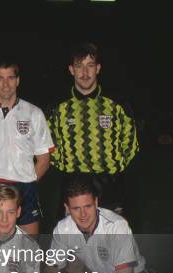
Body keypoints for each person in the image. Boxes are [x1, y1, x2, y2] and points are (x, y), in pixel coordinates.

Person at [47, 42, 139, 219]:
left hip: (110, 187)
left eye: (90, 66)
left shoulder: (117, 104)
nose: (85, 73)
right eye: (79, 66)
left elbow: (130, 144)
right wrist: (71, 171)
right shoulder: (57, 107)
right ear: (71, 70)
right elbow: (49, 146)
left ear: (98, 68)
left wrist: (111, 167)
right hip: (73, 187)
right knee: (75, 244)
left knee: (111, 242)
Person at [0, 61, 54, 236]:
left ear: (18, 81)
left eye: (10, 78)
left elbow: (44, 160)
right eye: (0, 78)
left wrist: (24, 183)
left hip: (25, 188)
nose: (5, 84)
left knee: (28, 250)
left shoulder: (34, 113)